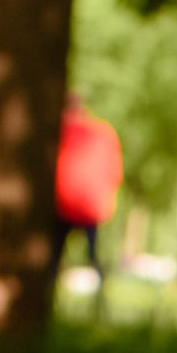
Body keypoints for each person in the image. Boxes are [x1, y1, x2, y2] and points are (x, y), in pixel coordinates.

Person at [53, 93, 122, 272]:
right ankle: (101, 293)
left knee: (54, 258)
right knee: (92, 257)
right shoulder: (105, 133)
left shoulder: (61, 131)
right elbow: (115, 174)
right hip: (90, 207)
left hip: (66, 206)